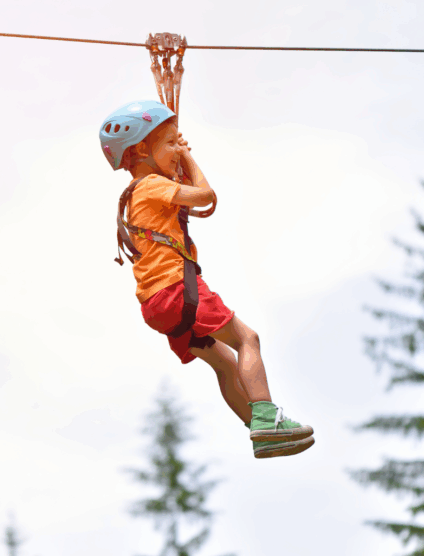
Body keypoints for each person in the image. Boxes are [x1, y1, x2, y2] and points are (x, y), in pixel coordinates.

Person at [99, 100, 314, 458]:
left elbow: (190, 205)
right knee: (247, 339)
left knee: (226, 363)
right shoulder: (150, 185)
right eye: (167, 142)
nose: (175, 148)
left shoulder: (142, 193)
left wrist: (174, 156)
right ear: (139, 151)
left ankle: (259, 430)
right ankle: (266, 418)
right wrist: (187, 158)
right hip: (177, 289)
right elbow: (207, 196)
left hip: (157, 303)